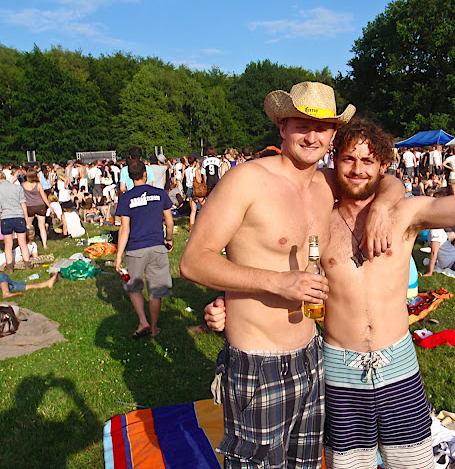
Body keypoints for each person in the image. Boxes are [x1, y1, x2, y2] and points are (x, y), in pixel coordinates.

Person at [203, 86, 455, 468]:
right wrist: (229, 301)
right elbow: (260, 256)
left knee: (412, 463)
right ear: (334, 159)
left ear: (383, 166)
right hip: (338, 370)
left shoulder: (406, 215)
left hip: (398, 362)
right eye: (349, 159)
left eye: (368, 161)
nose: (357, 169)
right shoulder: (318, 215)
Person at [180, 81, 403, 468]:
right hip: (258, 362)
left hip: (312, 357)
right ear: (282, 127)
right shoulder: (247, 180)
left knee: (307, 464)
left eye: (322, 127)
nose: (312, 136)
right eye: (302, 125)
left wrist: (382, 207)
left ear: (332, 135)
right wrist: (276, 281)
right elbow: (194, 261)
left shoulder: (327, 183)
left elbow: (387, 181)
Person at [115, 159, 173, 339]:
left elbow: (124, 228)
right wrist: (168, 239)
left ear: (130, 177)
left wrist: (118, 256)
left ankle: (143, 321)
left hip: (135, 249)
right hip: (157, 246)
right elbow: (169, 222)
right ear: (145, 174)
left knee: (133, 286)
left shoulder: (125, 198)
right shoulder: (160, 194)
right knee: (156, 289)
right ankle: (154, 328)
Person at [0, 170, 31, 274]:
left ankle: (10, 267)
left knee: (8, 245)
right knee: (22, 243)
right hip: (19, 216)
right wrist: (26, 218)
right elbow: (23, 204)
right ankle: (27, 264)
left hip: (6, 217)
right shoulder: (17, 188)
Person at [21, 168, 52, 251]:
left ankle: (27, 242)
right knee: (41, 226)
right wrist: (49, 206)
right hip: (40, 206)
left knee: (28, 225)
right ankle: (44, 244)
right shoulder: (38, 185)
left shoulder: (23, 185)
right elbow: (43, 196)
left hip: (29, 206)